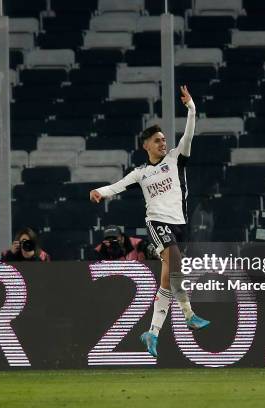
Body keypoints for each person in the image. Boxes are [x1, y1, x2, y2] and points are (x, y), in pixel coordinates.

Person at [89, 85, 210, 358]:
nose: (163, 143)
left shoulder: (176, 158)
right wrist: (99, 191)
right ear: (145, 145)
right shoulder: (140, 173)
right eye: (157, 140)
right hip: (157, 223)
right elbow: (117, 186)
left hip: (180, 224)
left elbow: (189, 133)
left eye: (164, 139)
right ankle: (188, 314)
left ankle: (152, 332)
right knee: (174, 265)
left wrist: (191, 107)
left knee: (169, 278)